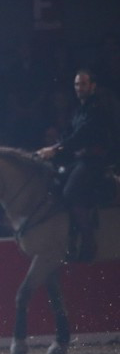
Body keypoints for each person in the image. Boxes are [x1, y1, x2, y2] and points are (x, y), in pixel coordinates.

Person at [36, 69, 117, 242]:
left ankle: (87, 237)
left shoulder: (97, 108)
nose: (79, 88)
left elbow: (81, 135)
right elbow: (69, 133)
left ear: (92, 86)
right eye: (77, 84)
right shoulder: (79, 110)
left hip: (95, 160)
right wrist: (51, 147)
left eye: (83, 84)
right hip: (80, 160)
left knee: (70, 192)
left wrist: (56, 149)